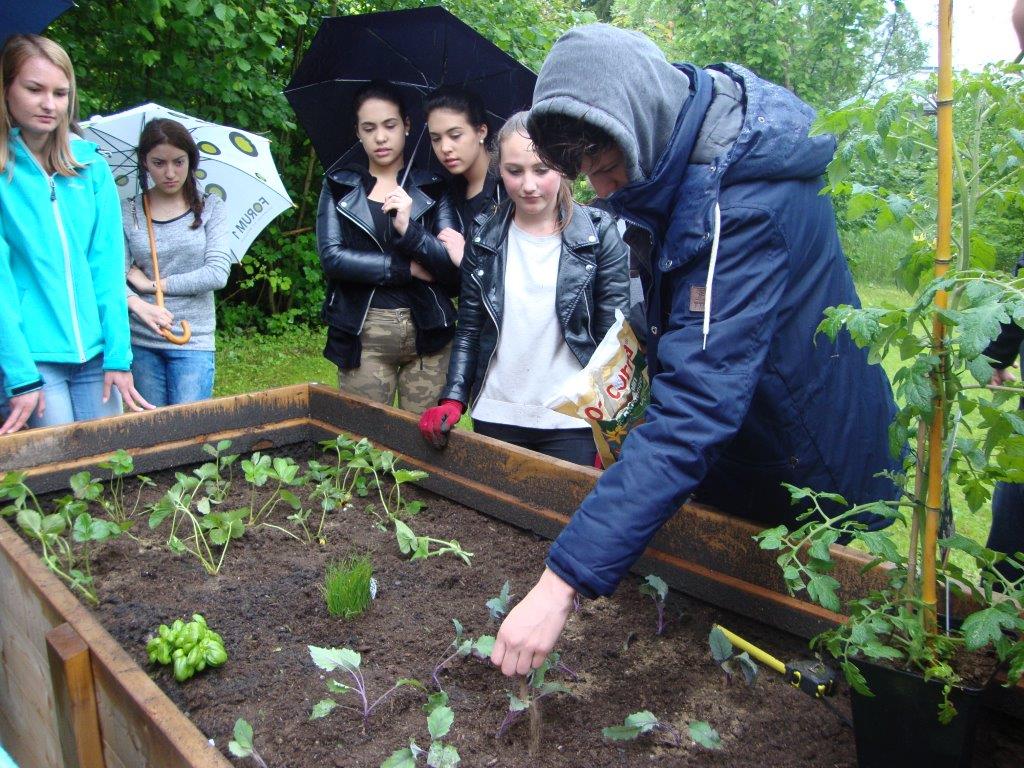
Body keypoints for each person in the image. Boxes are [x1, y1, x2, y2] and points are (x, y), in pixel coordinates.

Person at [490, 24, 901, 676]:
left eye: (604, 166)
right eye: (587, 171)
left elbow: (698, 408)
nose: (599, 190)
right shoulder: (685, 163)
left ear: (641, 124)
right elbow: (688, 333)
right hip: (759, 436)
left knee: (801, 639)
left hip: (811, 457)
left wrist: (559, 583)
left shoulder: (741, 205)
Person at [417, 112, 629, 465]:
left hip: (573, 421)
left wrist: (610, 427)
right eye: (515, 171)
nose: (528, 184)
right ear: (499, 170)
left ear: (563, 167)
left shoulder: (599, 233)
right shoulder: (484, 237)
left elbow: (614, 340)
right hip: (497, 415)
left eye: (541, 170)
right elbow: (470, 328)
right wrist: (453, 398)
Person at [0, 34, 151, 436]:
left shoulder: (90, 167)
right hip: (35, 356)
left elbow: (106, 268)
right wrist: (20, 375)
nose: (49, 104)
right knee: (59, 479)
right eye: (34, 89)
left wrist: (119, 356)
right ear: (6, 90)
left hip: (97, 353)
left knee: (108, 468)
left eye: (60, 92)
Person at [316, 80, 459, 412]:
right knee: (362, 445)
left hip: (429, 332)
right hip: (365, 333)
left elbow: (450, 266)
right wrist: (403, 268)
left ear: (407, 126)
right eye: (369, 128)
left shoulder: (433, 188)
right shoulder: (339, 186)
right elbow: (332, 258)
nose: (380, 137)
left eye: (389, 125)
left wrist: (410, 228)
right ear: (358, 132)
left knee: (423, 447)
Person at [122, 118, 232, 406]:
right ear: (145, 162)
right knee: (150, 433)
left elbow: (217, 273)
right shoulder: (130, 211)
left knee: (190, 434)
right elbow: (112, 274)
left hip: (193, 340)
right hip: (142, 341)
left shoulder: (210, 207)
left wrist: (154, 284)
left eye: (179, 162)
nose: (170, 172)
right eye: (159, 163)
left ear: (191, 161)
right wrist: (140, 302)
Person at [424, 86, 503, 265]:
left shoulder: (508, 184)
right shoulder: (447, 193)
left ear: (481, 132)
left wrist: (466, 257)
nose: (445, 148)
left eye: (455, 135)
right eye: (436, 139)